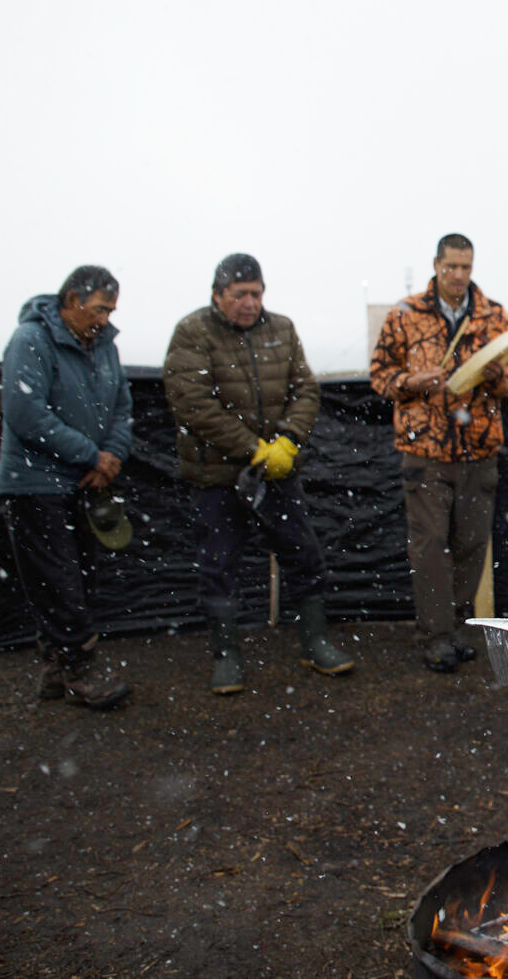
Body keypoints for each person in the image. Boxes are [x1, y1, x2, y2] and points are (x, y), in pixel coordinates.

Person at [163, 253, 353, 695]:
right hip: (218, 478)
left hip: (279, 474)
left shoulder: (282, 329)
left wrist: (287, 439)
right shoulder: (192, 332)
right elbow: (192, 403)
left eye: (256, 293)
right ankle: (226, 656)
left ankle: (315, 640)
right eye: (239, 294)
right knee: (219, 565)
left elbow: (305, 388)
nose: (250, 303)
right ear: (218, 295)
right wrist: (254, 450)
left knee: (303, 555)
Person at [370, 234, 508, 673]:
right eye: (451, 266)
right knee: (430, 545)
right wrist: (410, 382)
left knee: (471, 545)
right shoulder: (404, 315)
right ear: (436, 265)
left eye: (466, 267)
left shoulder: (495, 316)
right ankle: (436, 636)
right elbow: (380, 376)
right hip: (425, 452)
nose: (458, 275)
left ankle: (456, 629)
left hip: (479, 451)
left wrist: (497, 378)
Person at [0, 268, 134, 710]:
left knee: (79, 577)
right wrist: (90, 455)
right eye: (98, 309)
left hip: (84, 483)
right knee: (58, 581)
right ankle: (80, 672)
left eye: (110, 310)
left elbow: (123, 407)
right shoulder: (30, 341)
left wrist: (109, 455)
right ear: (71, 299)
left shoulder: (106, 347)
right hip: (35, 485)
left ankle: (56, 669)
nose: (105, 318)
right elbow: (24, 412)